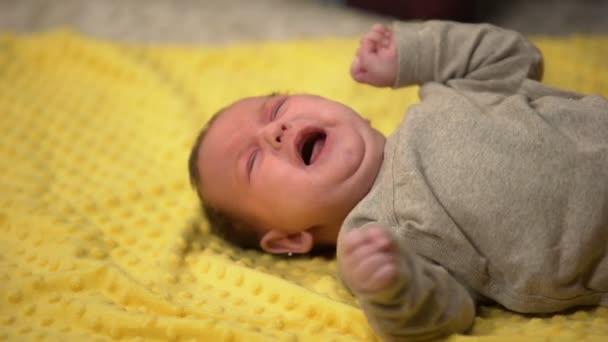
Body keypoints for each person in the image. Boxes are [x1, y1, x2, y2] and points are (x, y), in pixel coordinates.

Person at [189, 20, 608, 341]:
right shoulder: (375, 242)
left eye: (275, 108)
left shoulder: (445, 94)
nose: (274, 131)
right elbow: (449, 310)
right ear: (288, 240)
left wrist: (414, 54)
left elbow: (516, 57)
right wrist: (393, 290)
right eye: (252, 161)